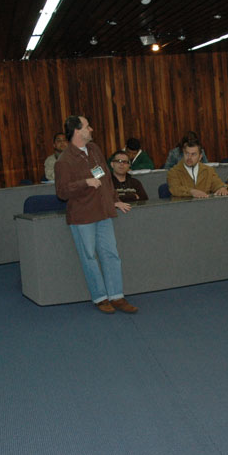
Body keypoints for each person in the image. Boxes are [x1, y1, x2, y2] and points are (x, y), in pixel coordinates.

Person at [54, 115, 138, 314]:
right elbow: (62, 192)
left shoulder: (94, 149)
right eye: (87, 126)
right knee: (89, 257)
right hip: (82, 216)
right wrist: (85, 182)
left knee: (111, 254)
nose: (91, 129)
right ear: (77, 131)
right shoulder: (64, 160)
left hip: (103, 211)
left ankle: (117, 295)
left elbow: (105, 177)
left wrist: (114, 199)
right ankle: (100, 297)